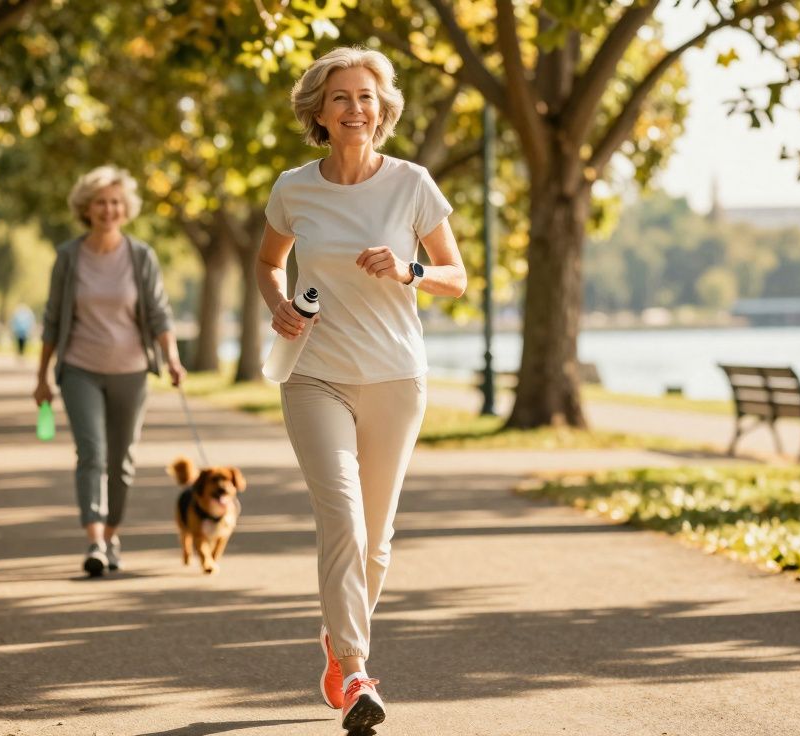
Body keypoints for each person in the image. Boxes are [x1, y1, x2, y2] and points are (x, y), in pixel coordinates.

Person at [256, 46, 466, 732]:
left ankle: (336, 640)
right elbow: (267, 262)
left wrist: (409, 270)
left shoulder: (411, 184)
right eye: (341, 97)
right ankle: (355, 671)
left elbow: (456, 275)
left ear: (384, 111)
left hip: (396, 379)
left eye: (367, 97)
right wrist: (277, 302)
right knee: (341, 519)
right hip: (314, 374)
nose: (356, 108)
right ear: (319, 109)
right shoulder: (294, 187)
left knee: (376, 544)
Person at [33, 165, 186, 578]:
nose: (108, 209)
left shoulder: (140, 256)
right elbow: (51, 320)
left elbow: (158, 313)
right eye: (100, 202)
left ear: (126, 209)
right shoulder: (68, 256)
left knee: (121, 460)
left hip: (132, 371)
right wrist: (42, 376)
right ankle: (96, 540)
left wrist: (171, 357)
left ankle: (112, 533)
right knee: (92, 454)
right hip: (80, 368)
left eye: (116, 202)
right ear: (86, 207)